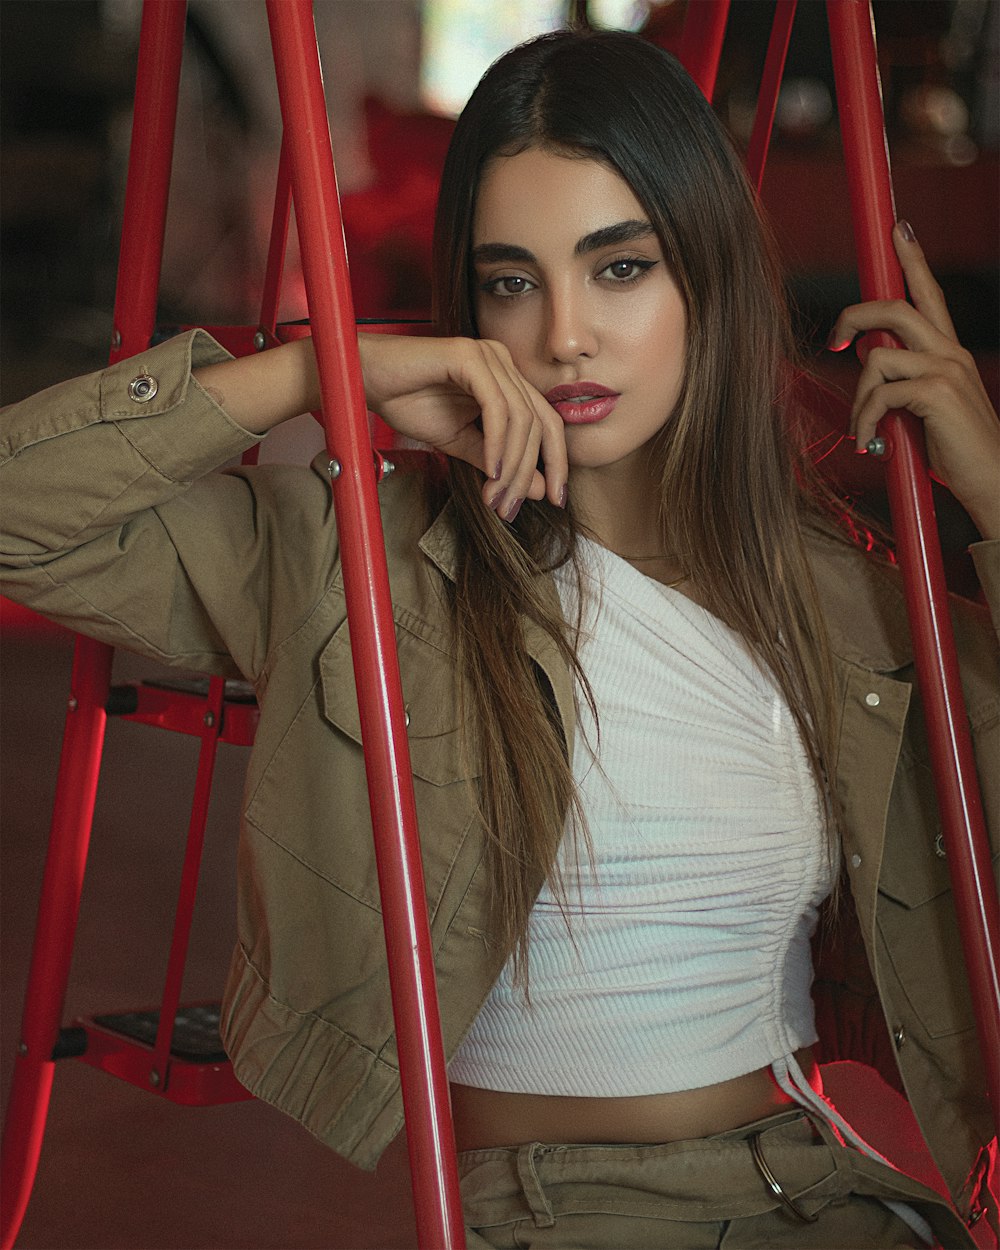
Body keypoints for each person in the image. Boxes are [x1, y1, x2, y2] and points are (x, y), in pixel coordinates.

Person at [2, 28, 998, 1250]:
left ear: (709, 278)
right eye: (512, 281)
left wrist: (993, 489)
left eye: (620, 268)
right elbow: (17, 519)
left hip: (824, 1190)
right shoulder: (365, 569)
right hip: (560, 1212)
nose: (564, 336)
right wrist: (318, 371)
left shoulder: (834, 600)